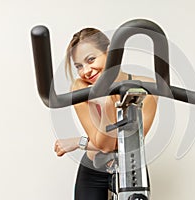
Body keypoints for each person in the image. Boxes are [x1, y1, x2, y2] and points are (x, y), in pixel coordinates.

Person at [53, 28, 158, 200]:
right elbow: (105, 145)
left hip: (131, 167)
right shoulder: (80, 88)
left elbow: (131, 141)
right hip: (93, 171)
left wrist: (78, 142)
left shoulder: (147, 87)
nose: (85, 71)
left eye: (91, 60)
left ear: (110, 53)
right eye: (79, 66)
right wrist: (106, 102)